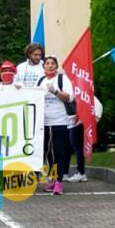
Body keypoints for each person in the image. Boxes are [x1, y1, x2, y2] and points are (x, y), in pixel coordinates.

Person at [38, 56, 74, 195]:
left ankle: (59, 182)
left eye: (53, 63)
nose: (50, 66)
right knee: (48, 153)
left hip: (59, 121)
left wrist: (55, 91)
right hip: (44, 123)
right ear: (44, 67)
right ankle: (52, 179)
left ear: (57, 66)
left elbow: (70, 98)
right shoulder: (40, 81)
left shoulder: (62, 79)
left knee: (59, 152)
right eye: (47, 63)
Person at [66, 96, 102, 183]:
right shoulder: (86, 94)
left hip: (81, 121)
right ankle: (80, 172)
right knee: (78, 146)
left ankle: (81, 172)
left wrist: (79, 116)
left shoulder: (83, 94)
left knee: (78, 146)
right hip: (83, 119)